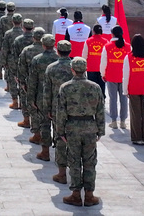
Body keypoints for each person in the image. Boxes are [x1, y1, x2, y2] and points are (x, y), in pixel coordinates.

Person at [55, 57, 105, 207]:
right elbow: (100, 110)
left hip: (72, 127)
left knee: (74, 161)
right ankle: (89, 195)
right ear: (86, 70)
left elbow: (61, 111)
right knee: (90, 162)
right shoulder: (95, 87)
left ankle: (76, 194)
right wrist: (100, 130)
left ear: (72, 70)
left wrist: (60, 131)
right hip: (90, 127)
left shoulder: (65, 87)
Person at [42, 40, 76, 184]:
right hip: (74, 109)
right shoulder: (76, 67)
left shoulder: (51, 68)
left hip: (57, 108)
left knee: (59, 138)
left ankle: (62, 172)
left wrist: (47, 108)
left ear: (58, 51)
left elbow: (47, 91)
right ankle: (75, 170)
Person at [27, 34, 61, 160]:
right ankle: (59, 154)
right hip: (59, 98)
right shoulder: (60, 58)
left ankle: (45, 152)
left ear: (43, 45)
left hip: (42, 96)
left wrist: (30, 98)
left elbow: (32, 81)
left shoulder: (37, 59)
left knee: (45, 124)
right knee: (59, 126)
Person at [126, 33, 144, 145]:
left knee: (135, 114)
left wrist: (125, 90)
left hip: (133, 88)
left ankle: (136, 137)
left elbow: (126, 75)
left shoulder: (129, 57)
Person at [103, 26, 129, 130]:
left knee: (112, 99)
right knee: (124, 99)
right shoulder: (127, 46)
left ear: (112, 34)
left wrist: (102, 74)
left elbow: (103, 62)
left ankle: (113, 121)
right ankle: (123, 121)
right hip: (123, 76)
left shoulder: (108, 46)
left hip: (111, 75)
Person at [83, 24, 109, 94]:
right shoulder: (106, 42)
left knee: (91, 90)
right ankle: (102, 103)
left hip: (91, 68)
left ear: (93, 31)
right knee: (101, 89)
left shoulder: (88, 41)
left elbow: (84, 56)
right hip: (102, 70)